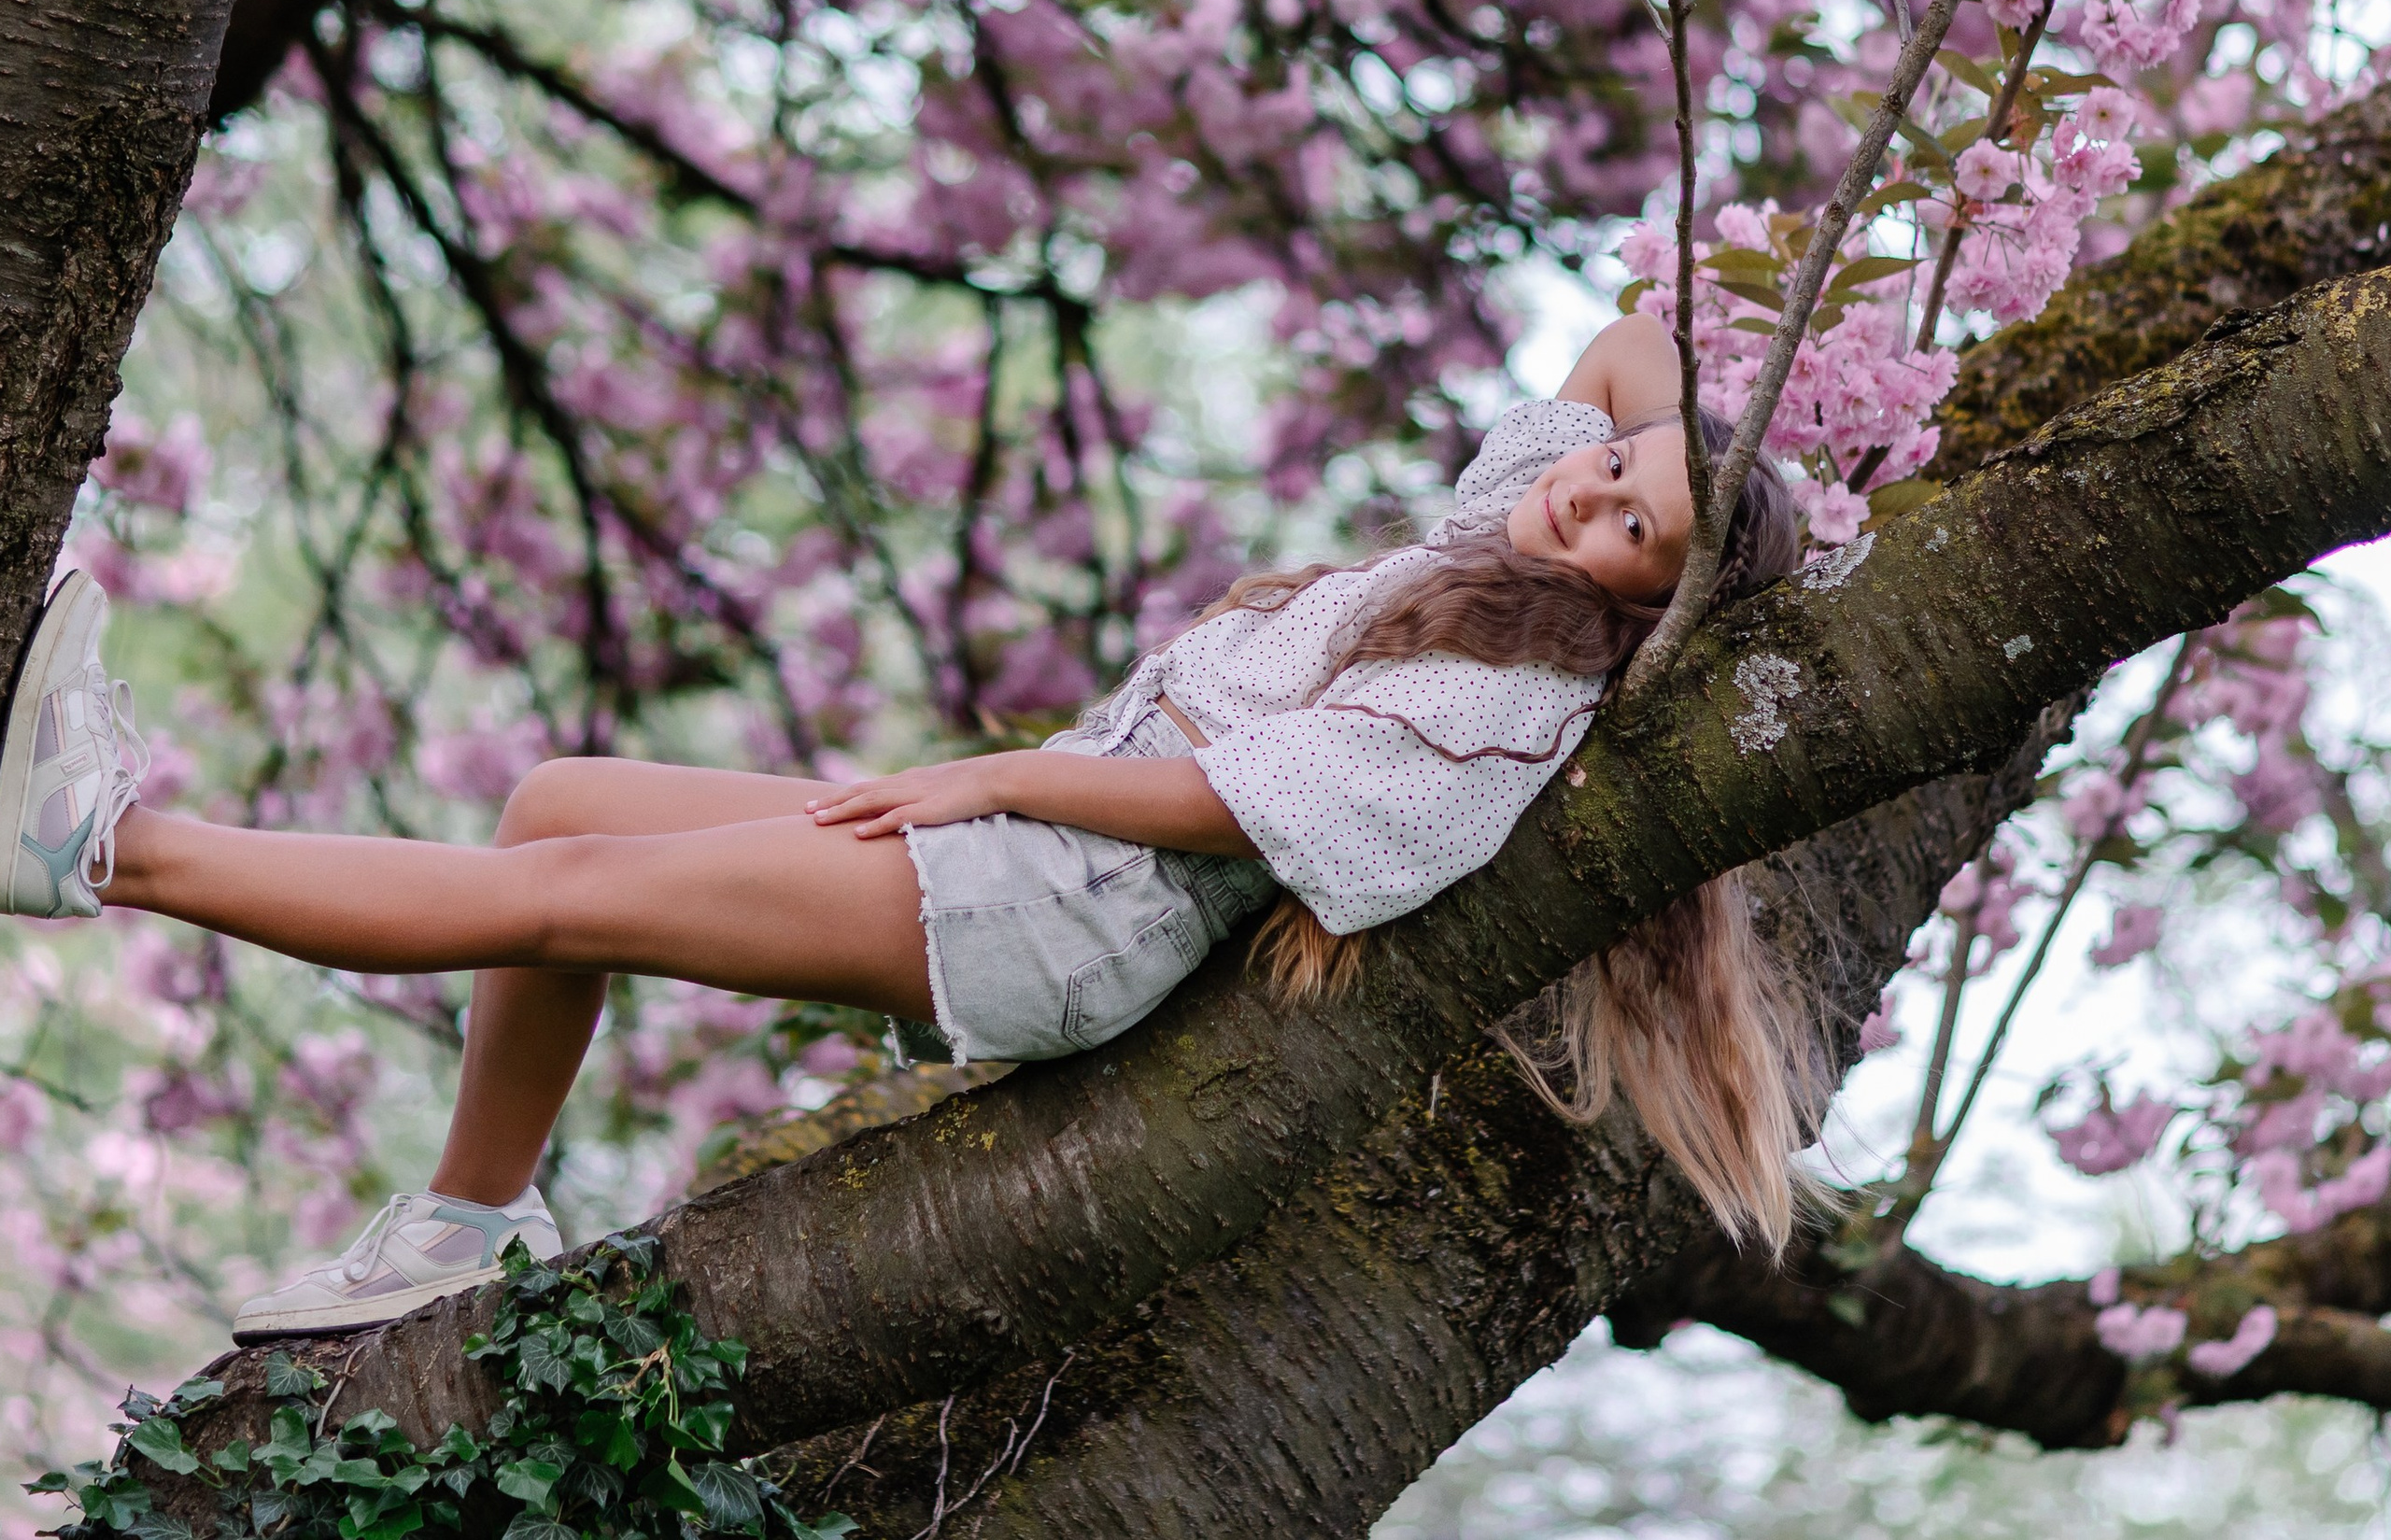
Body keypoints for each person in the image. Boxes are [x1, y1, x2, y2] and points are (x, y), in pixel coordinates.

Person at [0, 312, 1806, 1345]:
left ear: (1642, 623)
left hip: (1079, 896)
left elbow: (1231, 803)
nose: (1591, 496)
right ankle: (463, 1230)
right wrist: (1718, 480)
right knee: (557, 800)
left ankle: (96, 851)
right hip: (1040, 844)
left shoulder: (1522, 697)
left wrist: (994, 775)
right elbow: (1634, 342)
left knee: (558, 892)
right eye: (1611, 479)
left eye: (1630, 533)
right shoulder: (1503, 546)